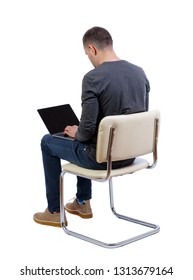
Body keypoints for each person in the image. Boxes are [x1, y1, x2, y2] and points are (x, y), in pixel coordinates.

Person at [33, 26, 150, 227]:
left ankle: (54, 211)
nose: (89, 58)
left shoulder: (93, 78)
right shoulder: (139, 73)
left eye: (87, 54)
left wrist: (77, 131)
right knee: (82, 137)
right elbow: (134, 120)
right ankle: (81, 202)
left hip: (102, 160)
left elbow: (86, 131)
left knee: (48, 141)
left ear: (92, 49)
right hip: (129, 156)